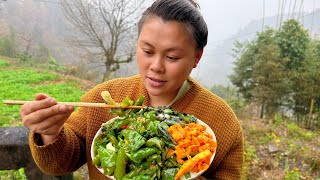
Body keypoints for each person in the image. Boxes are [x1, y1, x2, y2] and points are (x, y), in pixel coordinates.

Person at [20, 0, 244, 179]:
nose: (156, 66)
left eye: (172, 57)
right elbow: (60, 163)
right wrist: (50, 133)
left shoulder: (221, 121)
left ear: (196, 57)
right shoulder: (104, 99)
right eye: (147, 51)